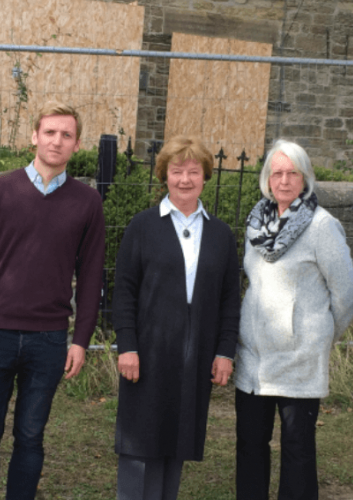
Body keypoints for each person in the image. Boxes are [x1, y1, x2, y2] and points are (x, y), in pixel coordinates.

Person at [0, 101, 105, 500]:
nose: (57, 141)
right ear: (35, 136)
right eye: (50, 132)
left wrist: (81, 339)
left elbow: (92, 276)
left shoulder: (88, 203)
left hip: (49, 339)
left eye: (67, 135)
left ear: (77, 145)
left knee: (30, 437)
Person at [112, 135, 241, 500]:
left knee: (176, 441)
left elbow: (231, 299)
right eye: (177, 171)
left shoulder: (220, 234)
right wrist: (128, 346)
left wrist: (224, 351)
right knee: (140, 444)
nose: (185, 179)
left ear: (205, 176)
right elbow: (123, 292)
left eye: (193, 172)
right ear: (163, 175)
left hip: (195, 355)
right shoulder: (142, 226)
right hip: (147, 353)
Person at [234, 139, 353, 500]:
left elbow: (347, 292)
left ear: (306, 178)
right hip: (254, 361)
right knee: (249, 445)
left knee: (298, 450)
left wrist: (319, 335)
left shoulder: (322, 226)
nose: (285, 180)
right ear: (267, 179)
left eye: (293, 173)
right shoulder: (256, 224)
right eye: (277, 173)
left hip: (300, 358)